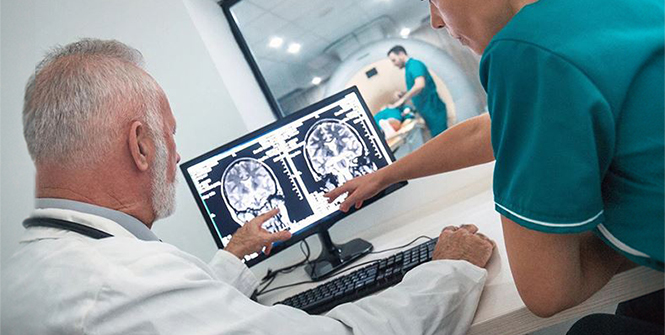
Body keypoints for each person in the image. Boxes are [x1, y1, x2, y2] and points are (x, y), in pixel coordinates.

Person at [1, 38, 496, 335]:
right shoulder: (122, 282)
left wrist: (233, 257)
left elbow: (180, 312)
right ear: (141, 146)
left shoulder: (28, 273)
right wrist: (448, 272)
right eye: (170, 136)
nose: (176, 155)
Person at [326, 0, 664, 333]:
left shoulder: (526, 49)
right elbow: (493, 130)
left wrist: (619, 232)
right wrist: (386, 174)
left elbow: (547, 291)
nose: (435, 19)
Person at [387, 45, 449, 136]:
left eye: (394, 60)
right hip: (427, 112)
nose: (394, 64)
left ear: (401, 54)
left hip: (433, 110)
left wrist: (401, 101)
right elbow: (415, 88)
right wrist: (403, 93)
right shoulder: (409, 68)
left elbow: (420, 85)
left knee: (444, 139)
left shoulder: (414, 64)